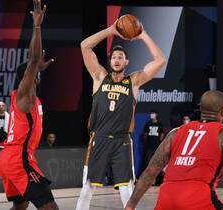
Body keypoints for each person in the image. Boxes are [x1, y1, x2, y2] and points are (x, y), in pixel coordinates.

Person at [76, 18, 166, 210]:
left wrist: (142, 35)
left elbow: (160, 60)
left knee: (127, 189)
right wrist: (110, 30)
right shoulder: (99, 76)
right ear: (110, 61)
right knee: (88, 187)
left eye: (120, 57)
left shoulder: (133, 81)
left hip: (122, 141)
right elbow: (84, 46)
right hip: (99, 138)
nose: (117, 60)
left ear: (126, 61)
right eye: (114, 57)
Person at [0, 0, 57, 209]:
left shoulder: (25, 97)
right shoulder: (26, 94)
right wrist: (37, 26)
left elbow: (32, 66)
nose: (37, 76)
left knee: (20, 207)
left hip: (10, 157)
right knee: (49, 206)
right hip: (17, 158)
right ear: (29, 79)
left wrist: (36, 67)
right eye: (35, 74)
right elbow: (32, 61)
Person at [142, 110, 164, 185]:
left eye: (153, 113)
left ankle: (160, 180)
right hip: (149, 147)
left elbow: (161, 134)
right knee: (149, 163)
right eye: (151, 113)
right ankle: (151, 181)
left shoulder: (159, 124)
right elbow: (145, 134)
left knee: (158, 163)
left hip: (157, 146)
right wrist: (147, 142)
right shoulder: (147, 124)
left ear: (156, 115)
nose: (152, 115)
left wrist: (159, 143)